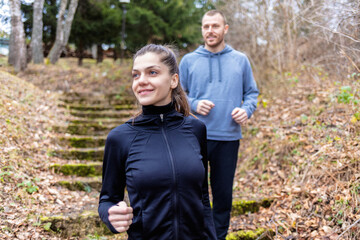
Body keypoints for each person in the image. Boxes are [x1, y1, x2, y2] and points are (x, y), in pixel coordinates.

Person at [98, 44, 217, 240]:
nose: (141, 81)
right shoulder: (119, 138)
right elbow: (107, 199)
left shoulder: (196, 129)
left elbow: (202, 196)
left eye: (152, 72)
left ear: (173, 80)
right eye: (136, 75)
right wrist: (110, 216)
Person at [179, 10, 259, 240]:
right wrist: (193, 103)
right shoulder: (189, 61)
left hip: (228, 137)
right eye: (206, 26)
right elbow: (178, 94)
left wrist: (246, 110)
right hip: (195, 137)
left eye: (215, 26)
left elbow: (252, 93)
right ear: (202, 29)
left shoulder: (240, 60)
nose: (210, 31)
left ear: (225, 29)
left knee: (223, 194)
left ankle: (218, 236)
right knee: (195, 192)